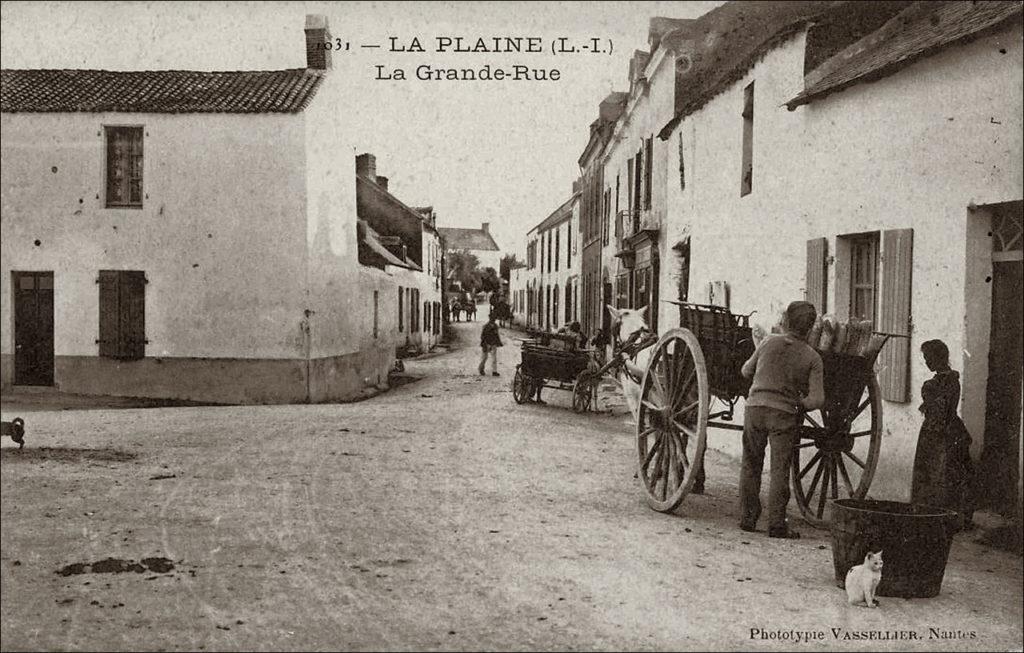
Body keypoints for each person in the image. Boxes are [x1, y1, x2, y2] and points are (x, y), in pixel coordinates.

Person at [738, 300, 824, 539]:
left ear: (785, 320)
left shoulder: (768, 342)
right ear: (811, 327)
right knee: (779, 470)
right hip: (784, 415)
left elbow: (746, 371)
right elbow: (817, 399)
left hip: (755, 409)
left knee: (751, 463)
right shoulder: (813, 357)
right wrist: (799, 403)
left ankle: (747, 518)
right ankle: (776, 525)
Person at [911, 339, 975, 530]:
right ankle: (952, 516)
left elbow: (939, 411)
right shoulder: (953, 380)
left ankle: (934, 516)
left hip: (938, 433)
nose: (926, 362)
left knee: (937, 473)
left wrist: (928, 404)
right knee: (950, 474)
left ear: (938, 358)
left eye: (928, 358)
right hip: (952, 430)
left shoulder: (933, 385)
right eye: (925, 358)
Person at [478, 312, 503, 377]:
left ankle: (494, 371)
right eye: (492, 318)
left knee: (494, 358)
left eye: (494, 318)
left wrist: (499, 342)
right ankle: (481, 369)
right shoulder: (485, 326)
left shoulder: (496, 326)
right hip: (486, 343)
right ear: (489, 318)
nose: (493, 319)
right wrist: (484, 344)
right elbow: (482, 336)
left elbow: (497, 335)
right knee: (484, 358)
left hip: (493, 343)